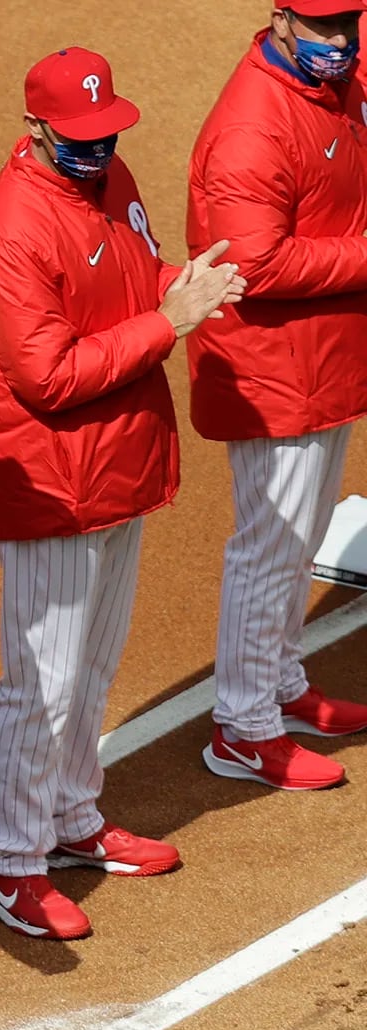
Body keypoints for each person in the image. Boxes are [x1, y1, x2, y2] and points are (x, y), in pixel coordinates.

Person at [0, 49, 246, 942]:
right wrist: (172, 322)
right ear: (35, 127)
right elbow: (47, 378)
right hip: (49, 481)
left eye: (107, 131)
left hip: (113, 462)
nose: (98, 148)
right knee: (38, 680)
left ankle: (71, 816)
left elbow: (134, 275)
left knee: (92, 662)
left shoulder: (110, 177)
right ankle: (4, 859)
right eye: (79, 136)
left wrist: (178, 285)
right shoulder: (12, 229)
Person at [188, 5, 367, 790]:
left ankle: (283, 684)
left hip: (320, 358)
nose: (341, 44)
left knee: (300, 536)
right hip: (274, 374)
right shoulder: (252, 130)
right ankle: (243, 727)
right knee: (270, 545)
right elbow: (253, 263)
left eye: (350, 28)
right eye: (325, 30)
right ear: (282, 21)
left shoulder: (333, 85)